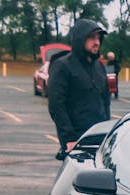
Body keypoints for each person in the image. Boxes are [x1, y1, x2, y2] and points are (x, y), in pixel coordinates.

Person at [47, 19, 110, 156]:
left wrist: (108, 131)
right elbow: (56, 105)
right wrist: (69, 138)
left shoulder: (99, 67)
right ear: (80, 39)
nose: (97, 42)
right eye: (92, 37)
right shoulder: (62, 66)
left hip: (100, 136)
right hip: (76, 140)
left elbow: (106, 101)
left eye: (99, 38)